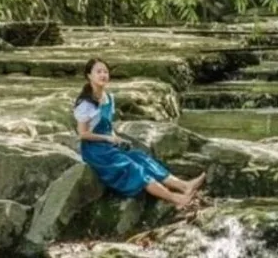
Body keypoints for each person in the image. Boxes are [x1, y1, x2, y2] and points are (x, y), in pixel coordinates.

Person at [74, 58, 206, 209]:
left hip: (109, 145)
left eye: (105, 71)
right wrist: (108, 138)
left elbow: (107, 126)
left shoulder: (108, 98)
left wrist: (117, 139)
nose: (103, 75)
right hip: (95, 151)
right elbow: (82, 134)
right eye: (99, 72)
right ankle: (177, 199)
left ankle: (184, 186)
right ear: (89, 75)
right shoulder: (85, 104)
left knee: (141, 158)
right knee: (135, 169)